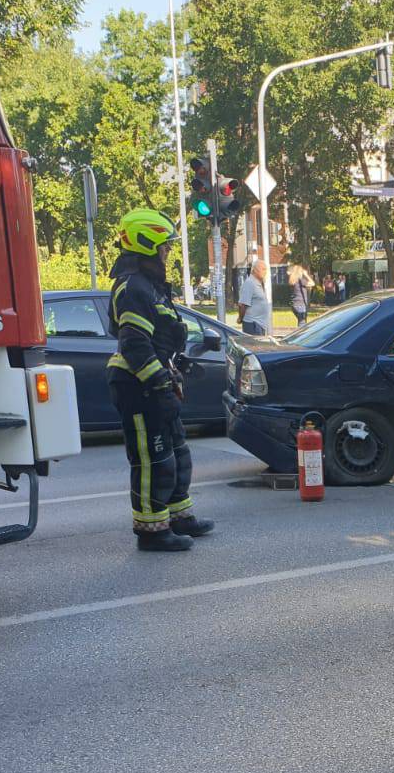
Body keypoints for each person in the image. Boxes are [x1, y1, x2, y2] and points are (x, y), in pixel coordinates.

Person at [107, 209, 213, 553]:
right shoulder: (133, 286)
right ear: (146, 245)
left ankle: (177, 517)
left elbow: (160, 337)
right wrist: (157, 384)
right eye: (164, 247)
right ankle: (151, 531)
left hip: (156, 383)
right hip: (137, 386)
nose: (168, 253)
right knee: (153, 460)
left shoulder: (150, 286)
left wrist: (173, 371)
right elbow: (135, 344)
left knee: (177, 453)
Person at [238, 258, 272, 336]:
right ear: (255, 270)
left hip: (259, 325)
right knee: (256, 347)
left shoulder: (258, 283)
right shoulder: (250, 283)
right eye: (263, 269)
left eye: (266, 269)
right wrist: (240, 318)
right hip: (253, 325)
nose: (265, 272)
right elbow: (242, 304)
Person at [289, 263, 312, 327]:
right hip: (300, 304)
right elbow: (312, 283)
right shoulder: (300, 280)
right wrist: (306, 275)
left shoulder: (293, 280)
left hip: (294, 304)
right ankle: (301, 336)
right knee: (302, 324)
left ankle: (299, 335)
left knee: (300, 321)